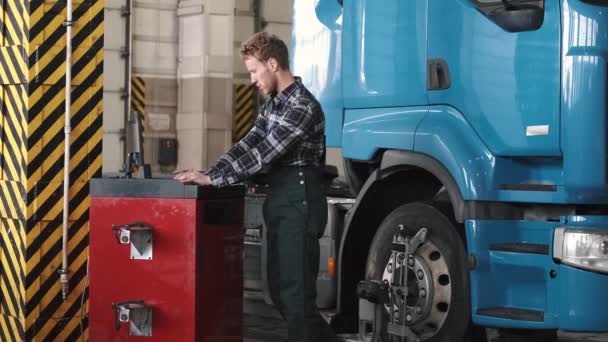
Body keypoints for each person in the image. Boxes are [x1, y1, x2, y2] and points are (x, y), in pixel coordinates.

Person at [174, 32, 336, 342]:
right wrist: (211, 172)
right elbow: (249, 144)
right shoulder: (273, 106)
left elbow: (265, 154)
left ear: (272, 64)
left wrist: (216, 179)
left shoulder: (302, 106)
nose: (251, 80)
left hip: (299, 199)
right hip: (280, 199)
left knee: (296, 295)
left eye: (253, 71)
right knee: (278, 290)